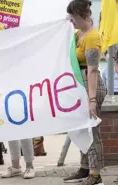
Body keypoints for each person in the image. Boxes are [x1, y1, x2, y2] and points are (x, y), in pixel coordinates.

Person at [64, 0, 106, 184]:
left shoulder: (93, 36)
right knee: (81, 130)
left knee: (91, 130)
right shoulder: (78, 34)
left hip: (91, 87)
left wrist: (92, 99)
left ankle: (95, 174)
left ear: (83, 15)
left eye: (73, 18)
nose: (71, 21)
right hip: (79, 87)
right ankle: (85, 168)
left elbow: (92, 69)